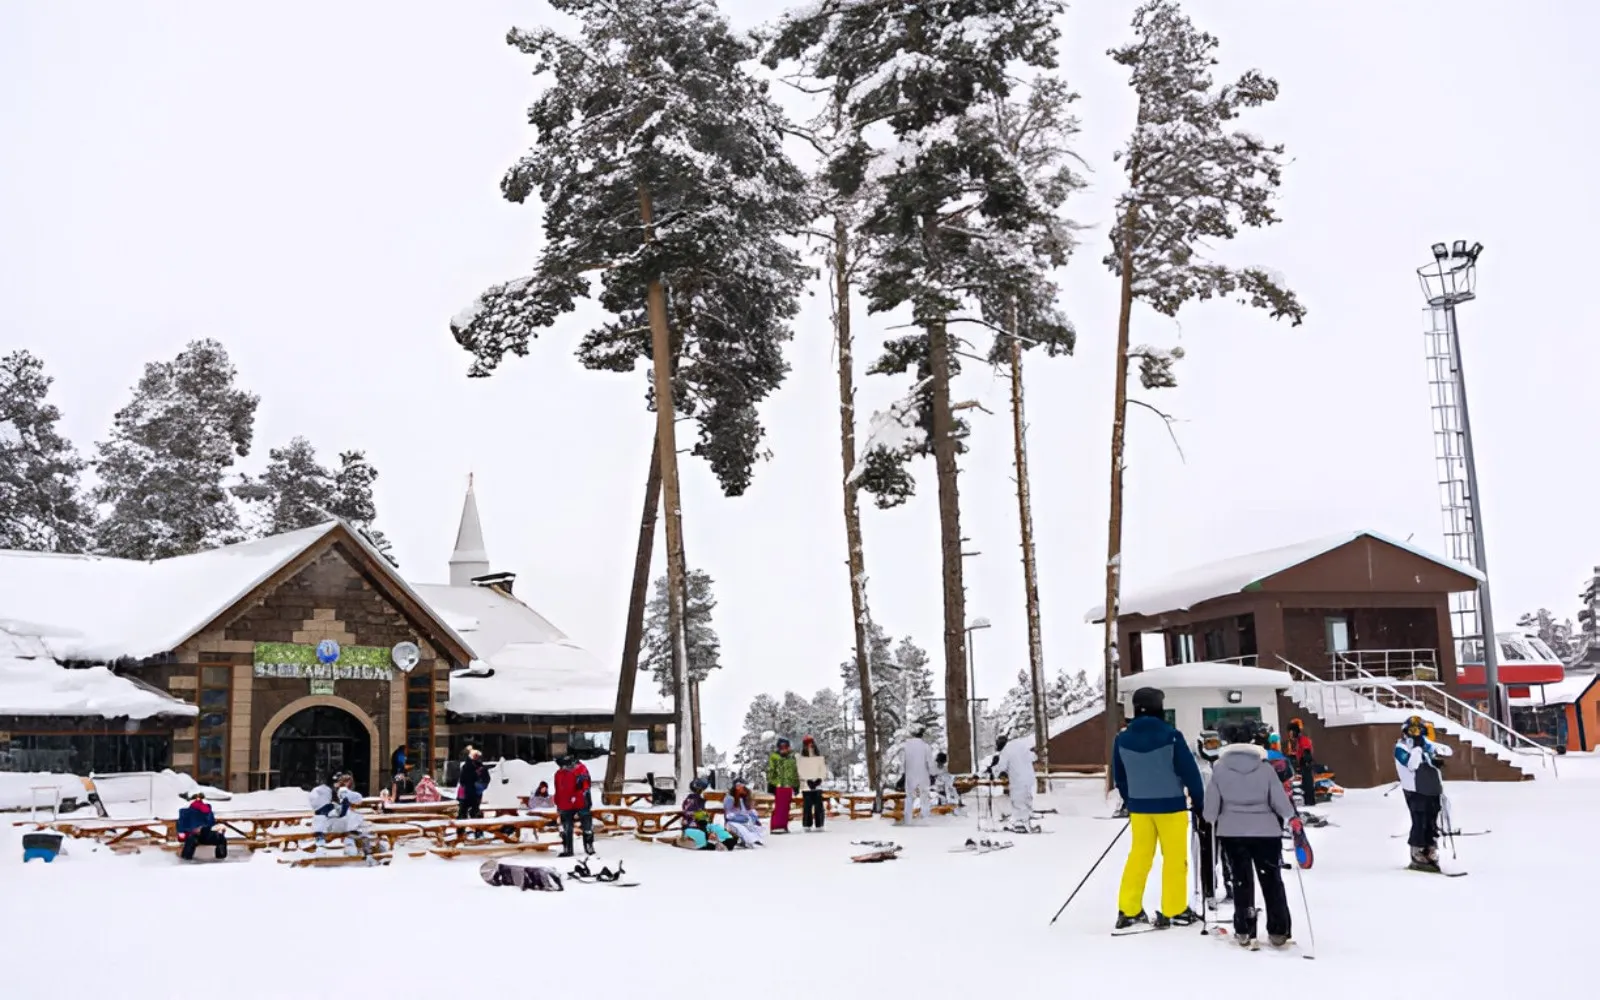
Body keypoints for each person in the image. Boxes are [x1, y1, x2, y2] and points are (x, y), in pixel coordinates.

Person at [1112, 687, 1205, 930]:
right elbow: (1189, 772)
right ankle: (1174, 909)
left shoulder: (1122, 739)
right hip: (1171, 807)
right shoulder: (1171, 735)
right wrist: (1199, 801)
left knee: (1139, 857)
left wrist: (1130, 800)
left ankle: (1128, 908)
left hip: (1140, 809)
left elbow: (1119, 777)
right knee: (1174, 859)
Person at [1203, 722, 1295, 948]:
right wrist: (1291, 817)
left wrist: (1211, 817)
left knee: (1241, 880)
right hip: (1266, 833)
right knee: (1272, 880)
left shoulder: (1220, 769)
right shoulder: (1265, 768)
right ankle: (1278, 930)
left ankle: (1244, 929)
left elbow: (1210, 811)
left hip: (1233, 833)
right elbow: (1281, 803)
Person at [1395, 714, 1453, 871]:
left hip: (1432, 789)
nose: (1416, 734)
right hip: (1415, 790)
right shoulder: (1401, 748)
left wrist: (1434, 754)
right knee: (1419, 820)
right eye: (1412, 730)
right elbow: (1411, 764)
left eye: (1419, 730)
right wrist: (1417, 749)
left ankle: (1431, 847)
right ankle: (1417, 850)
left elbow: (1447, 751)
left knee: (1432, 820)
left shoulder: (1425, 743)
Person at [1192, 732, 1230, 905]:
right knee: (1207, 853)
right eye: (1209, 744)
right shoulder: (1197, 765)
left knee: (1229, 851)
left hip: (1226, 812)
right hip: (1204, 814)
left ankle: (1231, 886)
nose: (1212, 747)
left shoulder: (1224, 762)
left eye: (1215, 743)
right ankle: (1209, 890)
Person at [988, 733, 1037, 832]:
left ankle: (1020, 823)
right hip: (1029, 777)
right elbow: (1033, 757)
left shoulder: (1006, 750)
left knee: (1017, 801)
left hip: (1017, 779)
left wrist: (993, 771)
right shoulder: (1020, 745)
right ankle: (1027, 822)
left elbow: (1001, 766)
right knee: (1027, 799)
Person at [554, 754, 595, 857]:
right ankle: (568, 849)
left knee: (586, 825)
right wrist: (558, 802)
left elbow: (585, 786)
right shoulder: (558, 774)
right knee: (566, 827)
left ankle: (589, 846)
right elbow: (558, 789)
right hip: (565, 803)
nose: (563, 767)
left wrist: (577, 797)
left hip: (581, 802)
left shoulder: (581, 770)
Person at [331, 773, 378, 863]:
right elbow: (356, 797)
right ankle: (364, 854)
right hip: (347, 827)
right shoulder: (343, 791)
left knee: (365, 834)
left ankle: (367, 854)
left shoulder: (343, 793)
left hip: (351, 825)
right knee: (363, 835)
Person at [680, 778, 737, 850]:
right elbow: (688, 812)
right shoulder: (690, 800)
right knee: (701, 834)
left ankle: (728, 840)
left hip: (703, 824)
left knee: (717, 827)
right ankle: (707, 845)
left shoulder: (701, 799)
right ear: (699, 790)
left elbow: (704, 812)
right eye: (704, 789)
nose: (706, 792)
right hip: (691, 826)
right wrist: (700, 816)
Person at [176, 791, 227, 861]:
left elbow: (181, 825)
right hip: (199, 835)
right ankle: (221, 859)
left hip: (200, 835)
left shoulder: (186, 812)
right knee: (220, 838)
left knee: (220, 838)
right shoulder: (188, 812)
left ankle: (185, 860)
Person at [900, 729, 934, 824]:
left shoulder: (906, 746)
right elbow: (930, 762)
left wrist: (903, 773)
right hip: (923, 774)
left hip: (910, 774)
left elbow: (902, 761)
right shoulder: (926, 747)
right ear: (922, 735)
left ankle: (908, 819)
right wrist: (932, 773)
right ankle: (925, 817)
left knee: (909, 797)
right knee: (924, 796)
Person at [766, 738, 800, 834]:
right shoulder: (775, 757)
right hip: (779, 785)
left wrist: (796, 785)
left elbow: (794, 772)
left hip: (788, 786)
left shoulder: (791, 758)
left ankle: (783, 825)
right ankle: (776, 826)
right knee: (779, 806)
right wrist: (771, 783)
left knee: (786, 807)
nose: (784, 749)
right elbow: (771, 771)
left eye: (786, 747)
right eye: (782, 747)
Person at [796, 735, 829, 831]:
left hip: (817, 785)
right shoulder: (801, 759)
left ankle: (819, 825)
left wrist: (819, 779)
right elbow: (800, 770)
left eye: (811, 744)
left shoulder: (819, 758)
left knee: (819, 806)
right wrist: (807, 780)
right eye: (807, 744)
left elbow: (823, 769)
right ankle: (807, 824)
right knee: (807, 806)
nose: (810, 746)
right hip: (806, 785)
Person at [721, 781, 765, 847]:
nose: (742, 789)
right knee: (741, 828)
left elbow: (746, 811)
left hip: (743, 820)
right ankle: (749, 841)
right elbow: (728, 815)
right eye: (741, 787)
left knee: (754, 826)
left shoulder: (742, 798)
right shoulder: (730, 798)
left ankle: (755, 840)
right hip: (732, 822)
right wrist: (742, 818)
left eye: (743, 787)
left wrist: (753, 816)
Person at [1284, 718, 1317, 808]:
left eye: (1291, 732)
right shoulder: (1296, 741)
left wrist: (1305, 759)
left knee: (1308, 783)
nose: (1290, 734)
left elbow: (1307, 751)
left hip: (1306, 764)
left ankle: (1310, 802)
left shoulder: (1303, 740)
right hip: (1302, 765)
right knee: (1304, 782)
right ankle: (1307, 800)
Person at [309, 774, 338, 851]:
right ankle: (321, 839)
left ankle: (321, 839)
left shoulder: (320, 789)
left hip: (319, 808)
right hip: (322, 808)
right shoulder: (328, 790)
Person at [457, 746, 486, 821]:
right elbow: (463, 779)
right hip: (468, 793)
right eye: (475, 756)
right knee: (465, 812)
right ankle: (462, 830)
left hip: (473, 794)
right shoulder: (467, 766)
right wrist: (476, 775)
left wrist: (483, 785)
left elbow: (486, 778)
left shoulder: (480, 767)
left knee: (472, 811)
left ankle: (477, 830)